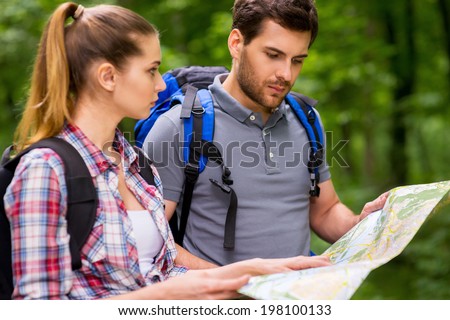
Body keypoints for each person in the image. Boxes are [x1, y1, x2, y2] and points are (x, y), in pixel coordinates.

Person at [3, 2, 330, 300]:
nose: (162, 85)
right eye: (151, 70)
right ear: (107, 76)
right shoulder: (46, 169)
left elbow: (157, 270)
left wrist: (250, 276)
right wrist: (173, 292)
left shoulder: (135, 164)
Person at [143, 0, 389, 267]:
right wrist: (239, 284)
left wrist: (361, 224)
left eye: (297, 60)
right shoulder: (179, 127)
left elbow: (325, 211)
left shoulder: (307, 120)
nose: (286, 73)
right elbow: (153, 244)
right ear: (236, 43)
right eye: (273, 55)